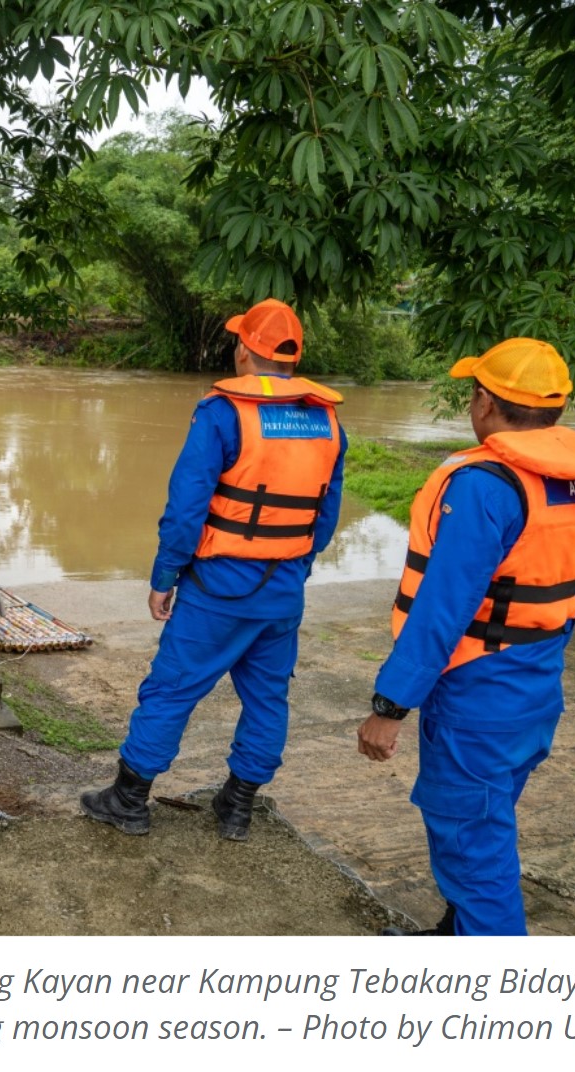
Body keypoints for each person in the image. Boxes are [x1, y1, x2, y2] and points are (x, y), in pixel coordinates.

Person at [358, 338, 575, 936]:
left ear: (485, 403)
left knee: (472, 844)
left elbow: (443, 608)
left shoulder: (485, 486)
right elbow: (572, 589)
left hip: (476, 695)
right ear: (557, 408)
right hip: (534, 685)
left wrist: (389, 707)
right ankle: (456, 932)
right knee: (484, 824)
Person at [81, 298, 347, 840]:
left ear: (246, 349)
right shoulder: (326, 418)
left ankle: (128, 800)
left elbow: (187, 506)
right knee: (268, 697)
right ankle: (238, 806)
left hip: (217, 587)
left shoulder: (222, 411)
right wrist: (295, 564)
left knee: (171, 689)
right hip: (284, 587)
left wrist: (165, 577)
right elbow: (327, 512)